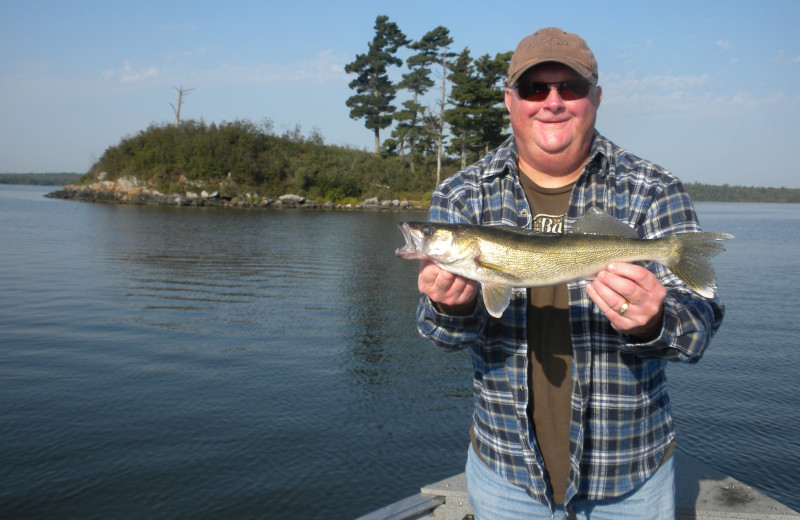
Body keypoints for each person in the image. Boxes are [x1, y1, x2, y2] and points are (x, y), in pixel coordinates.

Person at [415, 27, 724, 519]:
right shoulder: (461, 197)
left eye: (571, 88)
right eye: (535, 88)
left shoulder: (653, 188)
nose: (552, 102)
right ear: (509, 100)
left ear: (596, 98)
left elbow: (698, 328)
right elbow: (440, 335)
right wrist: (450, 306)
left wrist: (654, 321)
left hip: (630, 477)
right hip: (505, 475)